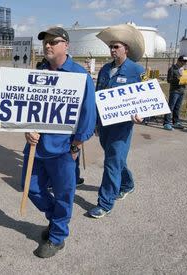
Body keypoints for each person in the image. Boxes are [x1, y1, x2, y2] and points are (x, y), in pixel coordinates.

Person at [22, 27, 96, 258]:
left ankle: (57, 237)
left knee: (65, 193)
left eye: (53, 42)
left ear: (66, 45)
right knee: (31, 189)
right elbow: (26, 107)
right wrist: (27, 130)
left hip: (64, 149)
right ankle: (57, 221)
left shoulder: (79, 75)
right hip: (36, 146)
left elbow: (88, 113)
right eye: (45, 42)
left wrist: (77, 145)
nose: (47, 46)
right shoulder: (39, 72)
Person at [88, 24, 146, 219]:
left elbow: (147, 98)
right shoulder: (105, 69)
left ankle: (105, 203)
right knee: (116, 158)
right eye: (111, 47)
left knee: (111, 162)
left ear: (126, 49)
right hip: (105, 124)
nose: (112, 50)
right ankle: (127, 184)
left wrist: (142, 115)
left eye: (116, 47)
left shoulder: (136, 70)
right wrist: (95, 122)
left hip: (122, 126)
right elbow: (98, 96)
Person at [163, 55, 187, 130]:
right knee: (171, 107)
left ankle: (176, 121)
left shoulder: (184, 69)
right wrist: (178, 79)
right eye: (182, 61)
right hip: (174, 91)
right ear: (178, 61)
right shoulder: (172, 69)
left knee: (177, 107)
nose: (183, 63)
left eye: (185, 62)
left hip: (182, 90)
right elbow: (169, 80)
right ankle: (166, 123)